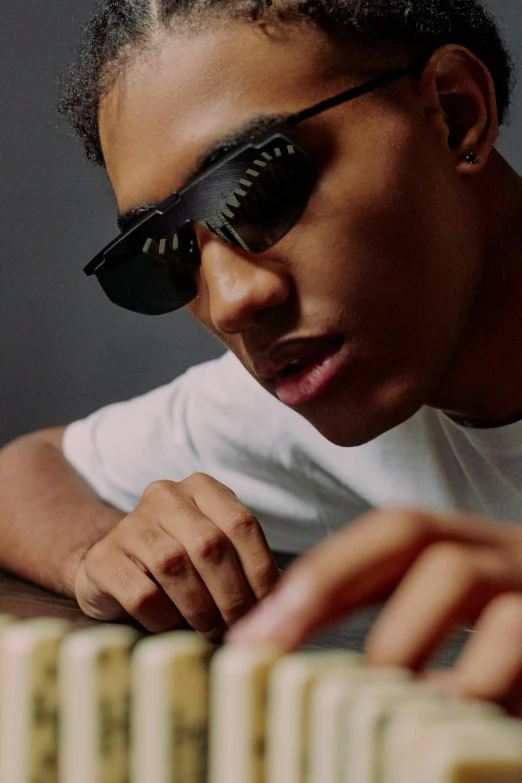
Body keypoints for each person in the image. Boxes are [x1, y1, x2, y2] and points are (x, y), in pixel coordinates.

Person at [1, 0, 522, 712]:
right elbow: (24, 472)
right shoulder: (306, 392)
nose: (230, 299)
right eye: (164, 253)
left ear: (455, 113)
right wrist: (96, 550)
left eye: (260, 185)